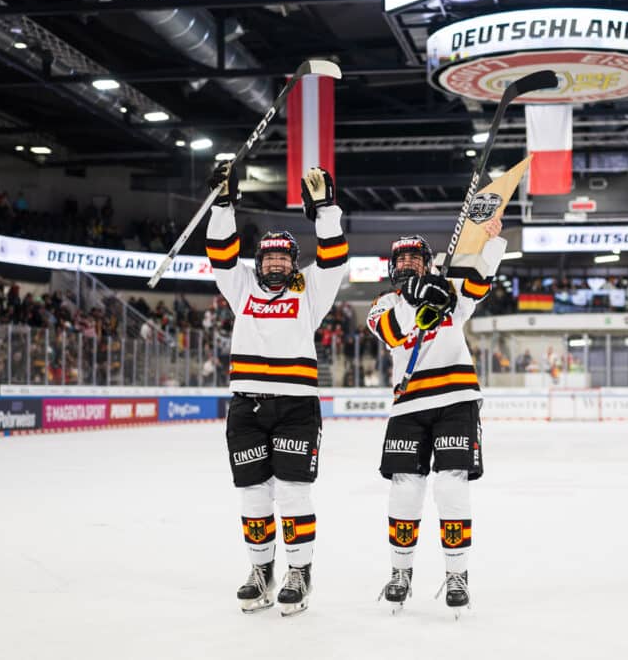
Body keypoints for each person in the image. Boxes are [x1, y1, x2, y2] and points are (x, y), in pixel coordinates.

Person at [205, 161, 347, 616]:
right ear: (259, 262)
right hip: (246, 405)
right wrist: (223, 204)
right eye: (268, 257)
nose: (276, 263)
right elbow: (220, 253)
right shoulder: (241, 287)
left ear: (293, 263)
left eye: (284, 258)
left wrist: (325, 209)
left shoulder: (310, 292)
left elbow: (334, 258)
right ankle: (261, 571)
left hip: (296, 406)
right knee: (253, 494)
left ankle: (299, 573)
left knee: (292, 492)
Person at [365, 221, 506, 616]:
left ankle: (457, 576)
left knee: (450, 486)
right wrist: (416, 297)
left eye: (416, 258)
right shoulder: (383, 304)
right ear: (392, 266)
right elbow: (391, 333)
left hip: (456, 399)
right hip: (408, 405)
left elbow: (478, 283)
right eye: (402, 259)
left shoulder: (449, 290)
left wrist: (491, 242)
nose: (408, 263)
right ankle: (400, 572)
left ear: (428, 263)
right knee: (405, 489)